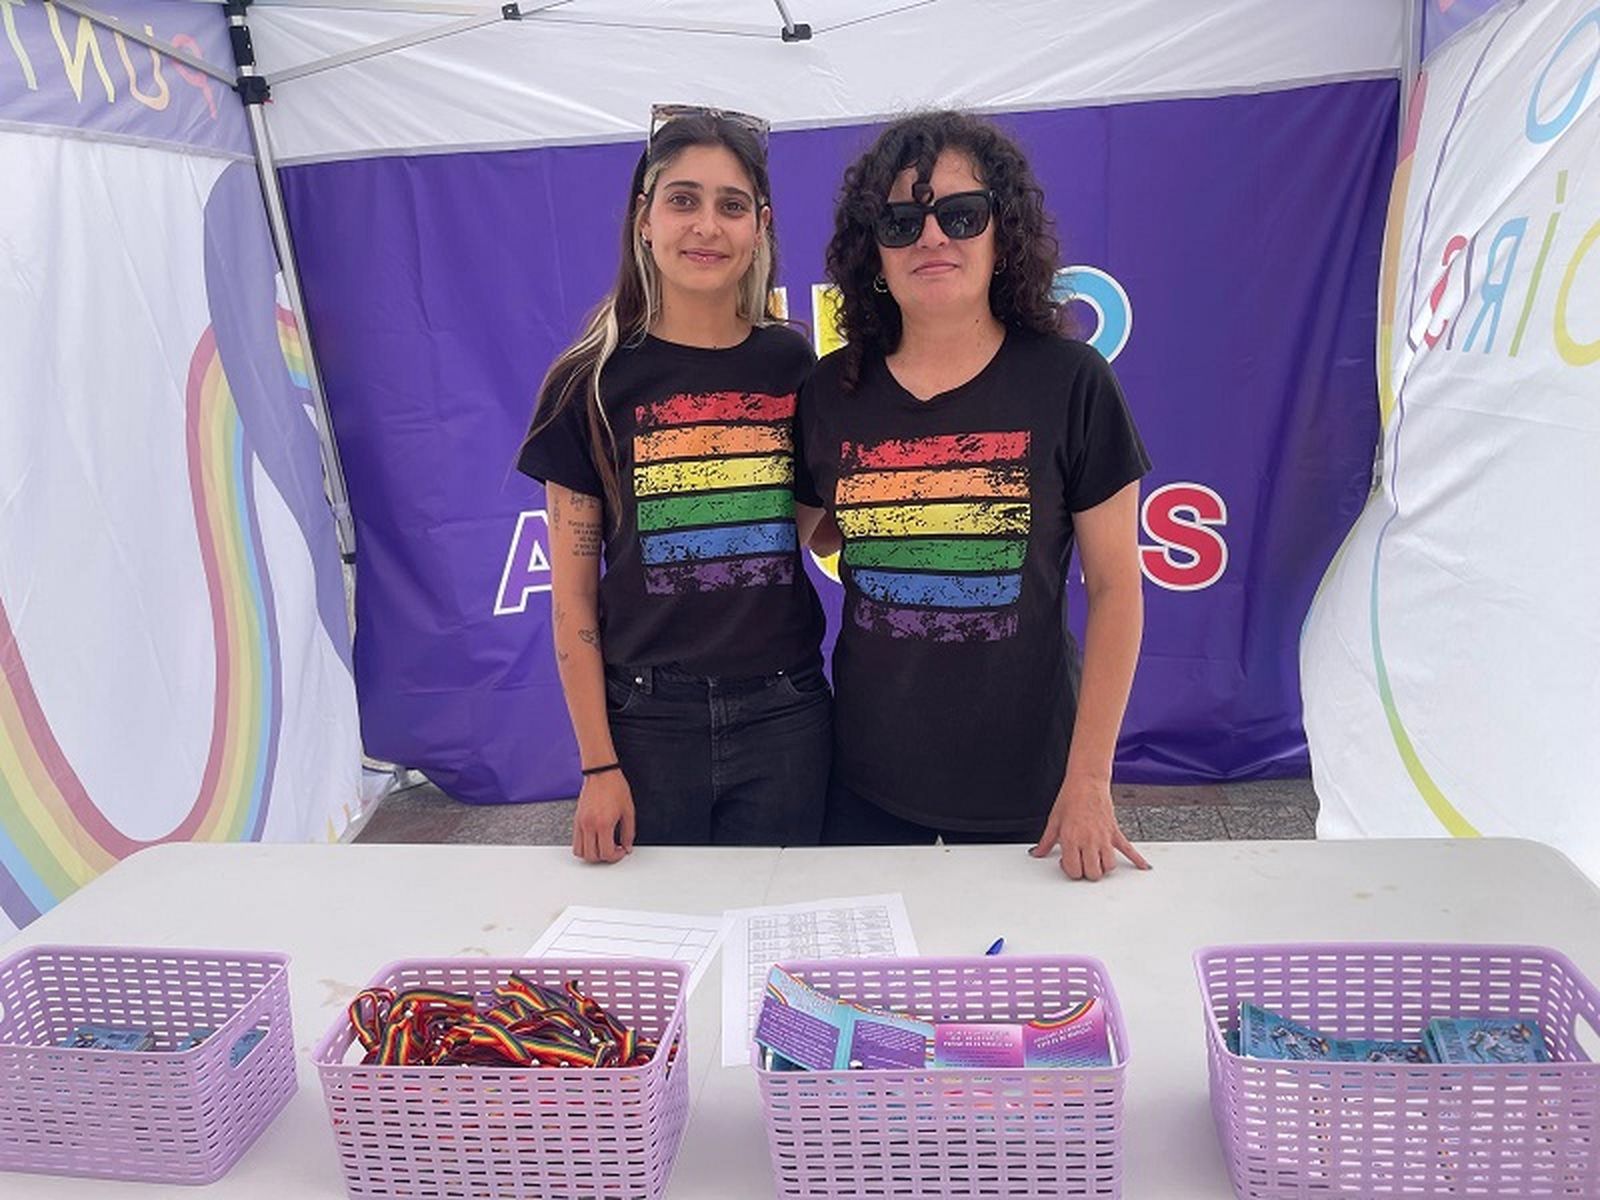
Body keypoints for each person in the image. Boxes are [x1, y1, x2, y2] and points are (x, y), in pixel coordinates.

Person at [796, 110, 1151, 881]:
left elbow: (1119, 590)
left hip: (1033, 790)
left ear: (1003, 230)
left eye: (960, 214)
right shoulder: (833, 391)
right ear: (872, 250)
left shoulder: (1069, 382)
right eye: (900, 220)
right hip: (865, 784)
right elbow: (815, 532)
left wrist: (1091, 779)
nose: (931, 238)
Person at [519, 106, 829, 864]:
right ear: (644, 219)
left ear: (759, 226)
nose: (706, 226)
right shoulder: (587, 382)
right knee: (666, 959)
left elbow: (811, 529)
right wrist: (597, 764)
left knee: (773, 948)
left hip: (785, 714)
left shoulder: (795, 370)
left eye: (730, 206)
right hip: (646, 722)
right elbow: (572, 598)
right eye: (682, 200)